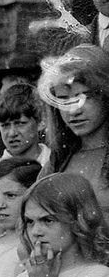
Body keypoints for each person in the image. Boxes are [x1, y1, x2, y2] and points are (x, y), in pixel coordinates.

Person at [43, 45, 109, 209]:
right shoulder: (58, 160)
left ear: (105, 95)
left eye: (83, 97)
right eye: (64, 99)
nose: (73, 110)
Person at [0, 81, 51, 180]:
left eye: (20, 123)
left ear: (40, 122)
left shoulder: (56, 164)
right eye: (5, 125)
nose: (12, 133)